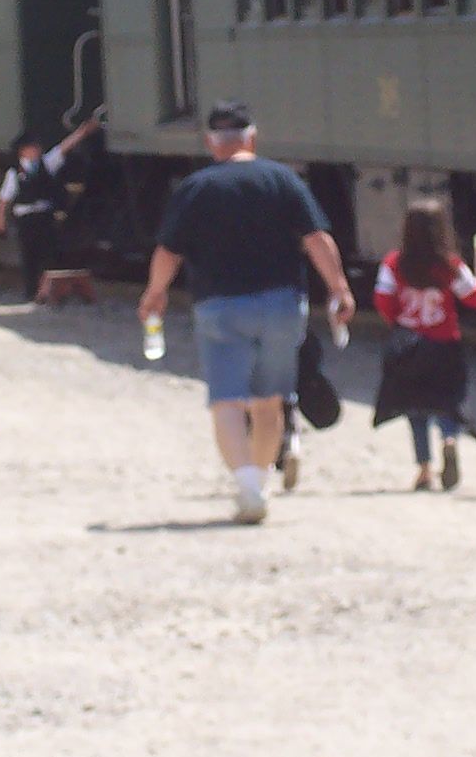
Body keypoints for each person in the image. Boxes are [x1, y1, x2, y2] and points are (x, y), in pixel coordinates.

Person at [138, 100, 356, 525]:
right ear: (252, 138)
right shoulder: (281, 179)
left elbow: (168, 251)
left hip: (219, 306)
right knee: (269, 401)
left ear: (210, 142)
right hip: (280, 305)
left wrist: (155, 293)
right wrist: (339, 288)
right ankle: (260, 480)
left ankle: (248, 488)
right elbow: (317, 239)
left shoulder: (196, 188)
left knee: (227, 403)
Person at [370, 199, 476, 491]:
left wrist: (400, 324)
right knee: (449, 401)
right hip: (444, 345)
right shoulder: (450, 265)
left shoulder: (393, 263)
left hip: (408, 347)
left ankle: (424, 470)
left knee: (415, 407)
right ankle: (449, 439)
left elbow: (383, 300)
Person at [0, 109, 102, 301]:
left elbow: (63, 148)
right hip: (25, 217)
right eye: (32, 147)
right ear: (22, 151)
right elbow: (5, 197)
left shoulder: (47, 163)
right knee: (29, 256)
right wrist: (0, 219)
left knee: (48, 255)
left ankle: (46, 292)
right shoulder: (14, 173)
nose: (36, 150)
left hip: (44, 215)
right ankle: (31, 292)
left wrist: (82, 132)